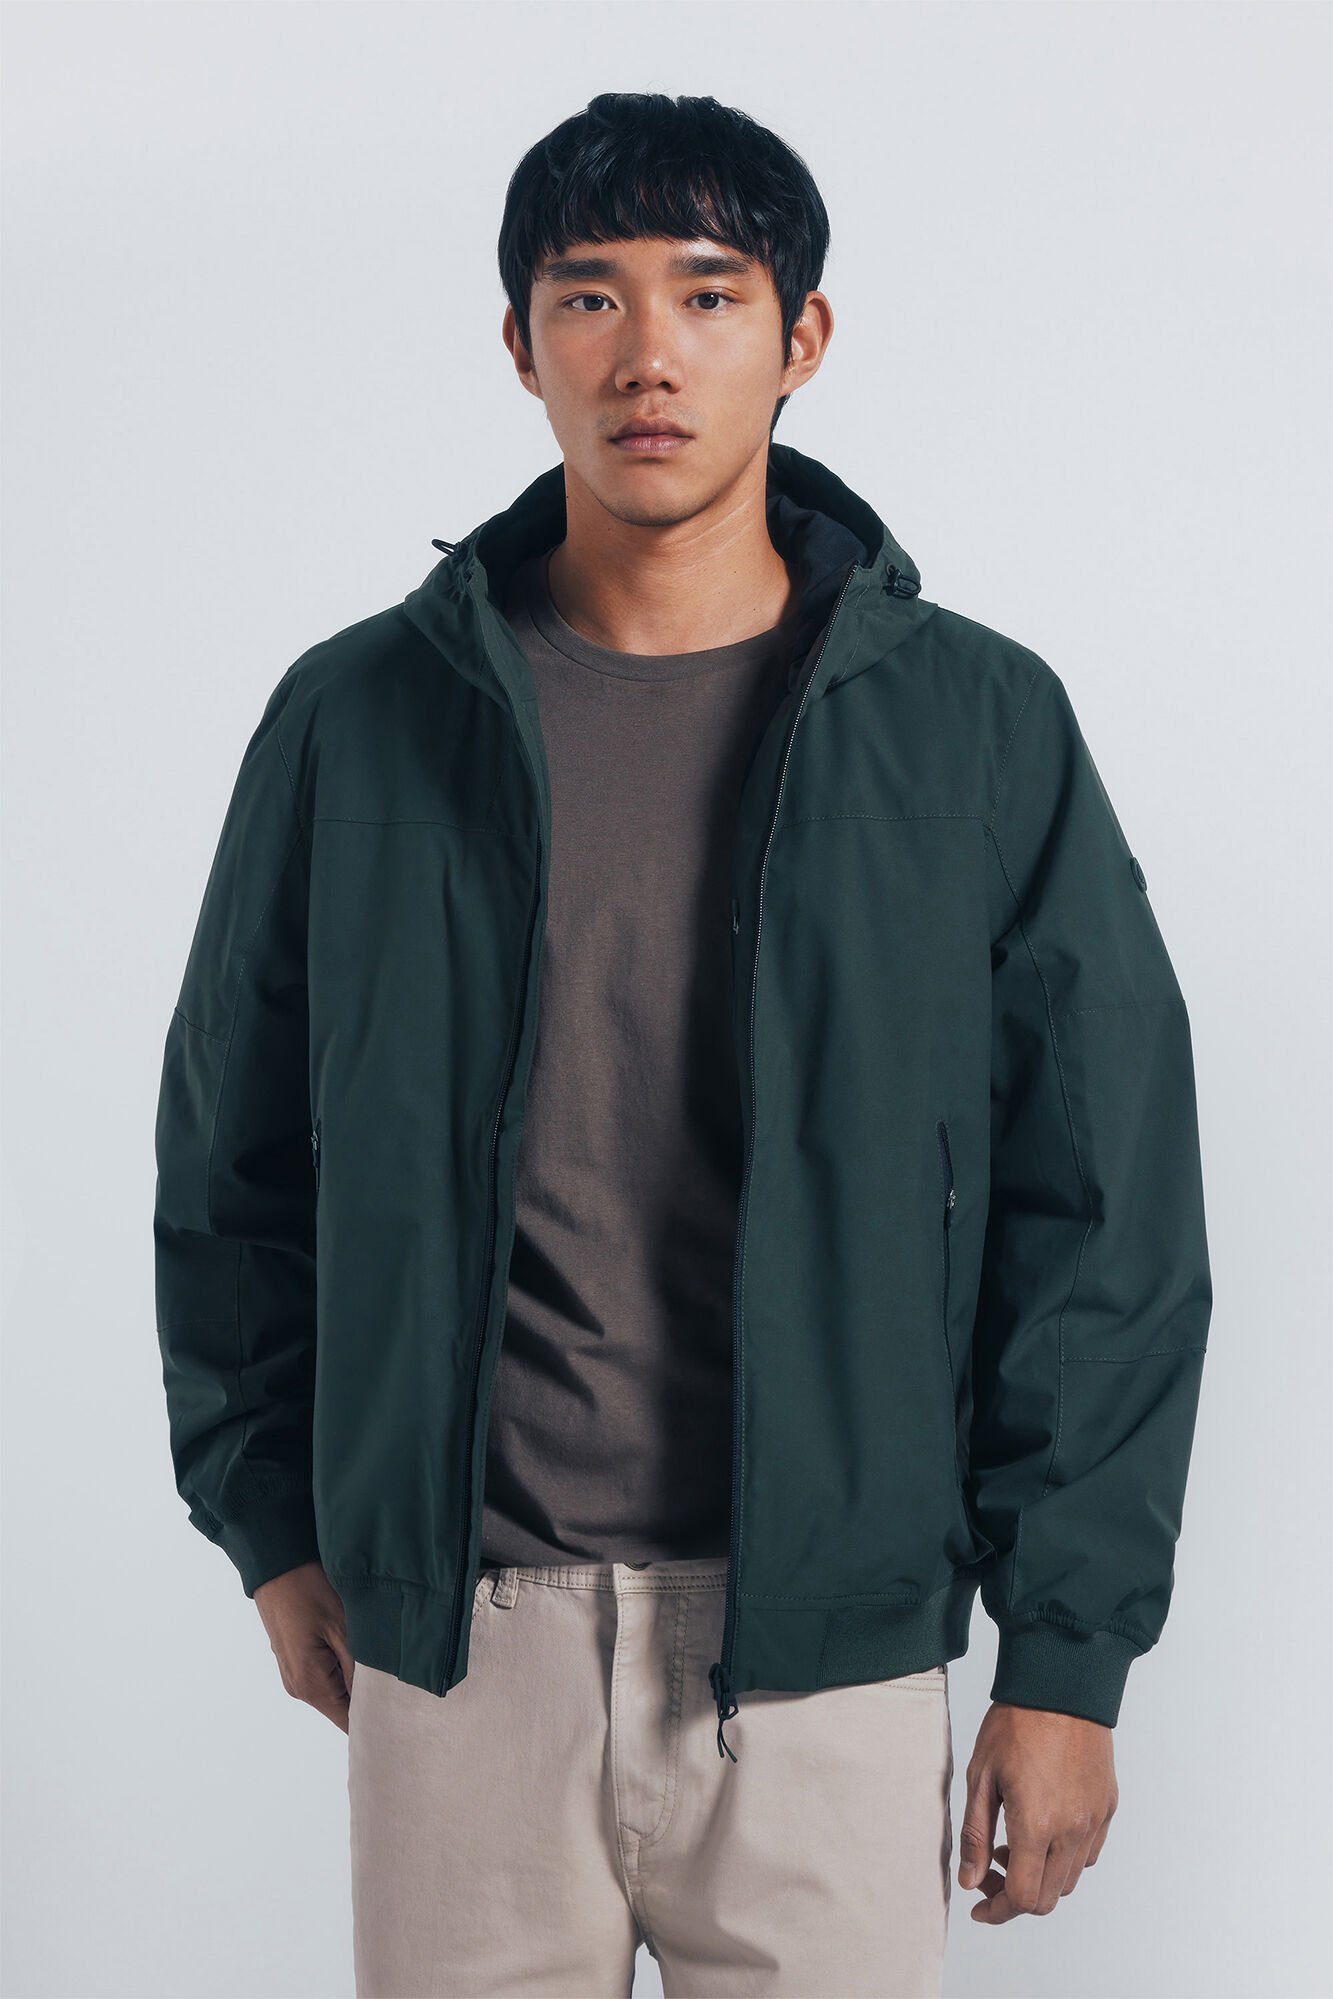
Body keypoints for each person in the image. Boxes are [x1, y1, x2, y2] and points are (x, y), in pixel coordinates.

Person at [152, 91, 1212, 1999]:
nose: (648, 354)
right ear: (520, 343)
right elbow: (225, 1166)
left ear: (801, 336)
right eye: (591, 297)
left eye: (709, 296)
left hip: (829, 1660)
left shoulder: (977, 729)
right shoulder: (357, 720)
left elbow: (1106, 1214)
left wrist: (1066, 1660)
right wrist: (269, 1524)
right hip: (461, 1647)